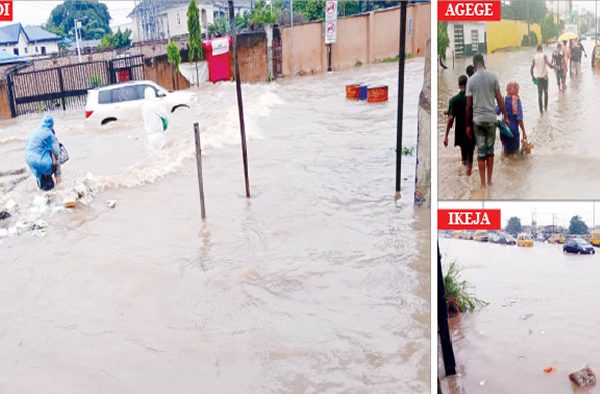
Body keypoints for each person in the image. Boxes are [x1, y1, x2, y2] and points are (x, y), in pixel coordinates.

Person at [466, 54, 509, 190]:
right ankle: (490, 181)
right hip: (491, 120)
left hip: (478, 121)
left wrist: (467, 125)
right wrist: (505, 115)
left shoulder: (471, 80)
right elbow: (500, 98)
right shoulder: (493, 77)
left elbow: (468, 105)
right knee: (490, 152)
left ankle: (482, 184)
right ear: (484, 63)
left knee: (481, 153)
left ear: (474, 65)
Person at [444, 75, 475, 176]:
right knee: (471, 152)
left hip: (460, 131)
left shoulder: (454, 100)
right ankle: (471, 173)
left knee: (463, 156)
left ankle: (464, 177)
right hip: (472, 129)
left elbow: (450, 119)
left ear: (458, 85)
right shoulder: (473, 98)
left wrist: (446, 136)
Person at [25, 114, 61, 191]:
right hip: (41, 162)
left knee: (41, 181)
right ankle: (59, 187)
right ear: (52, 124)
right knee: (56, 161)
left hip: (29, 159)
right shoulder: (49, 133)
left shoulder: (36, 131)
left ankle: (41, 189)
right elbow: (57, 152)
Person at [498, 81, 528, 156]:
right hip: (513, 132)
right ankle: (514, 168)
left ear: (507, 90)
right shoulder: (517, 101)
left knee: (505, 153)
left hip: (504, 130)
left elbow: (496, 112)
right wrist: (524, 131)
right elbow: (520, 119)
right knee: (515, 155)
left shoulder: (503, 100)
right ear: (517, 90)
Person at [530, 45, 554, 114]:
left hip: (538, 78)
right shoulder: (544, 56)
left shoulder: (534, 57)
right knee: (546, 92)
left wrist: (533, 77)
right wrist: (554, 67)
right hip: (545, 77)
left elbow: (531, 69)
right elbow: (549, 64)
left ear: (537, 50)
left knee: (539, 95)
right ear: (542, 49)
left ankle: (541, 111)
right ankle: (545, 108)